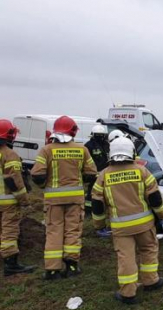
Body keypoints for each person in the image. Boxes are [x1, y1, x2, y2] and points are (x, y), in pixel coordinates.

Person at [91, 137, 163, 304]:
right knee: (148, 250)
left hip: (121, 228)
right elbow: (155, 198)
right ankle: (151, 281)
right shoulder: (142, 171)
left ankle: (128, 292)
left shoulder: (103, 175)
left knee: (126, 257)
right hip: (144, 224)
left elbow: (97, 204)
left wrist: (99, 225)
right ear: (131, 152)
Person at [31, 116, 98, 280]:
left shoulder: (47, 150)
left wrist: (45, 186)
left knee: (54, 232)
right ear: (73, 131)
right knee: (73, 231)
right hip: (75, 199)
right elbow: (91, 173)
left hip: (53, 200)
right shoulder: (82, 150)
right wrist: (79, 182)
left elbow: (37, 175)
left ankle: (52, 270)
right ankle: (72, 267)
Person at [0, 119, 36, 276]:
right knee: (9, 231)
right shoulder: (9, 154)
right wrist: (24, 201)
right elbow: (14, 180)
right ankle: (10, 264)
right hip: (8, 201)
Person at [84, 125, 111, 237]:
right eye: (98, 135)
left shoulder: (107, 145)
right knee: (92, 193)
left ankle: (104, 209)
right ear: (93, 135)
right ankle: (88, 210)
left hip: (106, 173)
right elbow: (86, 161)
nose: (100, 137)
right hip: (94, 174)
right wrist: (90, 173)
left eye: (101, 135)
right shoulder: (88, 146)